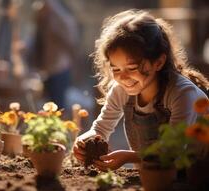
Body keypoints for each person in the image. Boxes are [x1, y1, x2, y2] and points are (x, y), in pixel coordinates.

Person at [73, 10, 209, 171]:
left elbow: (174, 151)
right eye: (116, 69)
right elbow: (101, 128)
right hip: (155, 174)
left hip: (197, 176)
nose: (122, 77)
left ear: (158, 62)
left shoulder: (182, 94)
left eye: (131, 68)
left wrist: (129, 157)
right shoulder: (121, 91)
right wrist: (84, 140)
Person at [30, 0, 78, 109]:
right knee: (47, 105)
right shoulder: (45, 24)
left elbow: (70, 45)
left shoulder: (59, 23)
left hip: (59, 69)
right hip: (48, 70)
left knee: (58, 106)